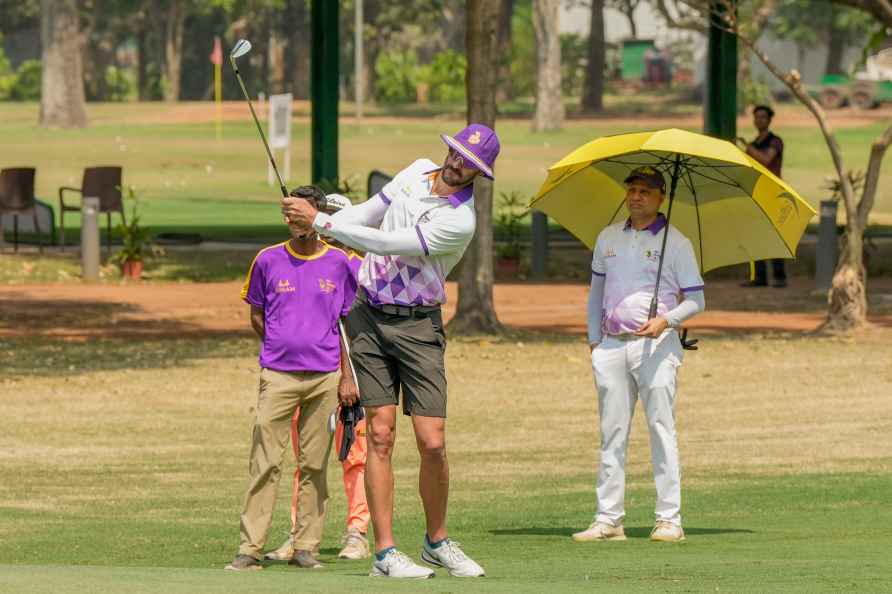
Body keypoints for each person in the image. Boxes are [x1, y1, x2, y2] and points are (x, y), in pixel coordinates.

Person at [281, 124, 500, 579]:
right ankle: (384, 552)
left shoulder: (460, 220)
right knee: (379, 435)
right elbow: (366, 216)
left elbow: (385, 244)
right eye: (457, 153)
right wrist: (326, 221)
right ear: (449, 148)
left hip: (419, 326)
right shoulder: (417, 171)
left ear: (481, 173)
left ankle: (436, 541)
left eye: (471, 164)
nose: (458, 165)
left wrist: (319, 222)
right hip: (368, 315)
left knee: (432, 441)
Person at [225, 185, 359, 572]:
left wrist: (347, 379)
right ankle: (249, 549)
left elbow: (348, 324)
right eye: (290, 213)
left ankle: (306, 547)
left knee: (315, 465)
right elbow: (256, 315)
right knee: (265, 462)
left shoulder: (341, 261)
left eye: (302, 213)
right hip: (278, 375)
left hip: (325, 378)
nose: (295, 221)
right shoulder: (267, 260)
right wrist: (282, 347)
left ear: (317, 217)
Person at [573, 166, 705, 544]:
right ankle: (608, 519)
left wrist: (666, 320)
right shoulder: (608, 237)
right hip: (612, 346)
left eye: (645, 191)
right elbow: (596, 292)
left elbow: (696, 300)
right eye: (631, 190)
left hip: (657, 349)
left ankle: (669, 519)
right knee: (611, 433)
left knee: (661, 430)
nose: (635, 197)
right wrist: (595, 340)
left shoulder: (675, 243)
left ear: (661, 197)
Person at [264, 193, 372, 563]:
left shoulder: (353, 265)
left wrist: (352, 377)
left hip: (350, 377)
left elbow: (357, 330)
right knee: (307, 459)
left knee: (354, 455)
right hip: (309, 373)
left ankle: (357, 532)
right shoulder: (309, 260)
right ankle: (298, 534)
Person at [739, 104, 787, 288]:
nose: (758, 120)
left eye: (762, 117)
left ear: (769, 120)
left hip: (773, 193)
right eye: (756, 117)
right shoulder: (755, 142)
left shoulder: (775, 141)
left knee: (774, 236)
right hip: (757, 192)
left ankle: (779, 276)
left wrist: (747, 148)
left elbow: (766, 160)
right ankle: (760, 277)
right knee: (755, 235)